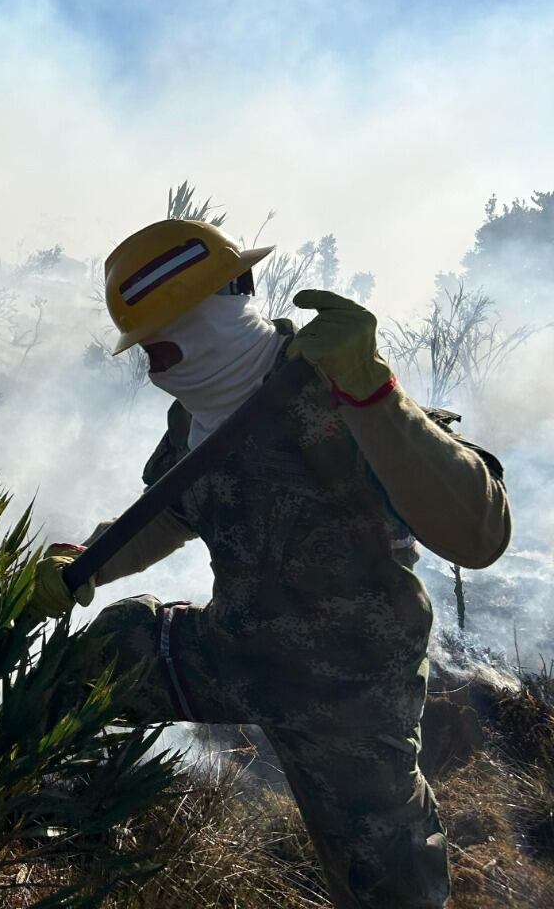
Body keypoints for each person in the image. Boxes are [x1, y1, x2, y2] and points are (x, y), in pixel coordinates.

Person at [33, 218, 511, 909]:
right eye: (150, 352)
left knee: (389, 889)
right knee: (105, 654)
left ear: (213, 311)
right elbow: (169, 509)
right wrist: (87, 562)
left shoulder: (340, 388)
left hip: (348, 691)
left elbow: (479, 535)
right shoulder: (195, 415)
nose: (157, 368)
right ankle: (58, 819)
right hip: (237, 650)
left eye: (161, 344)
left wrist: (373, 392)